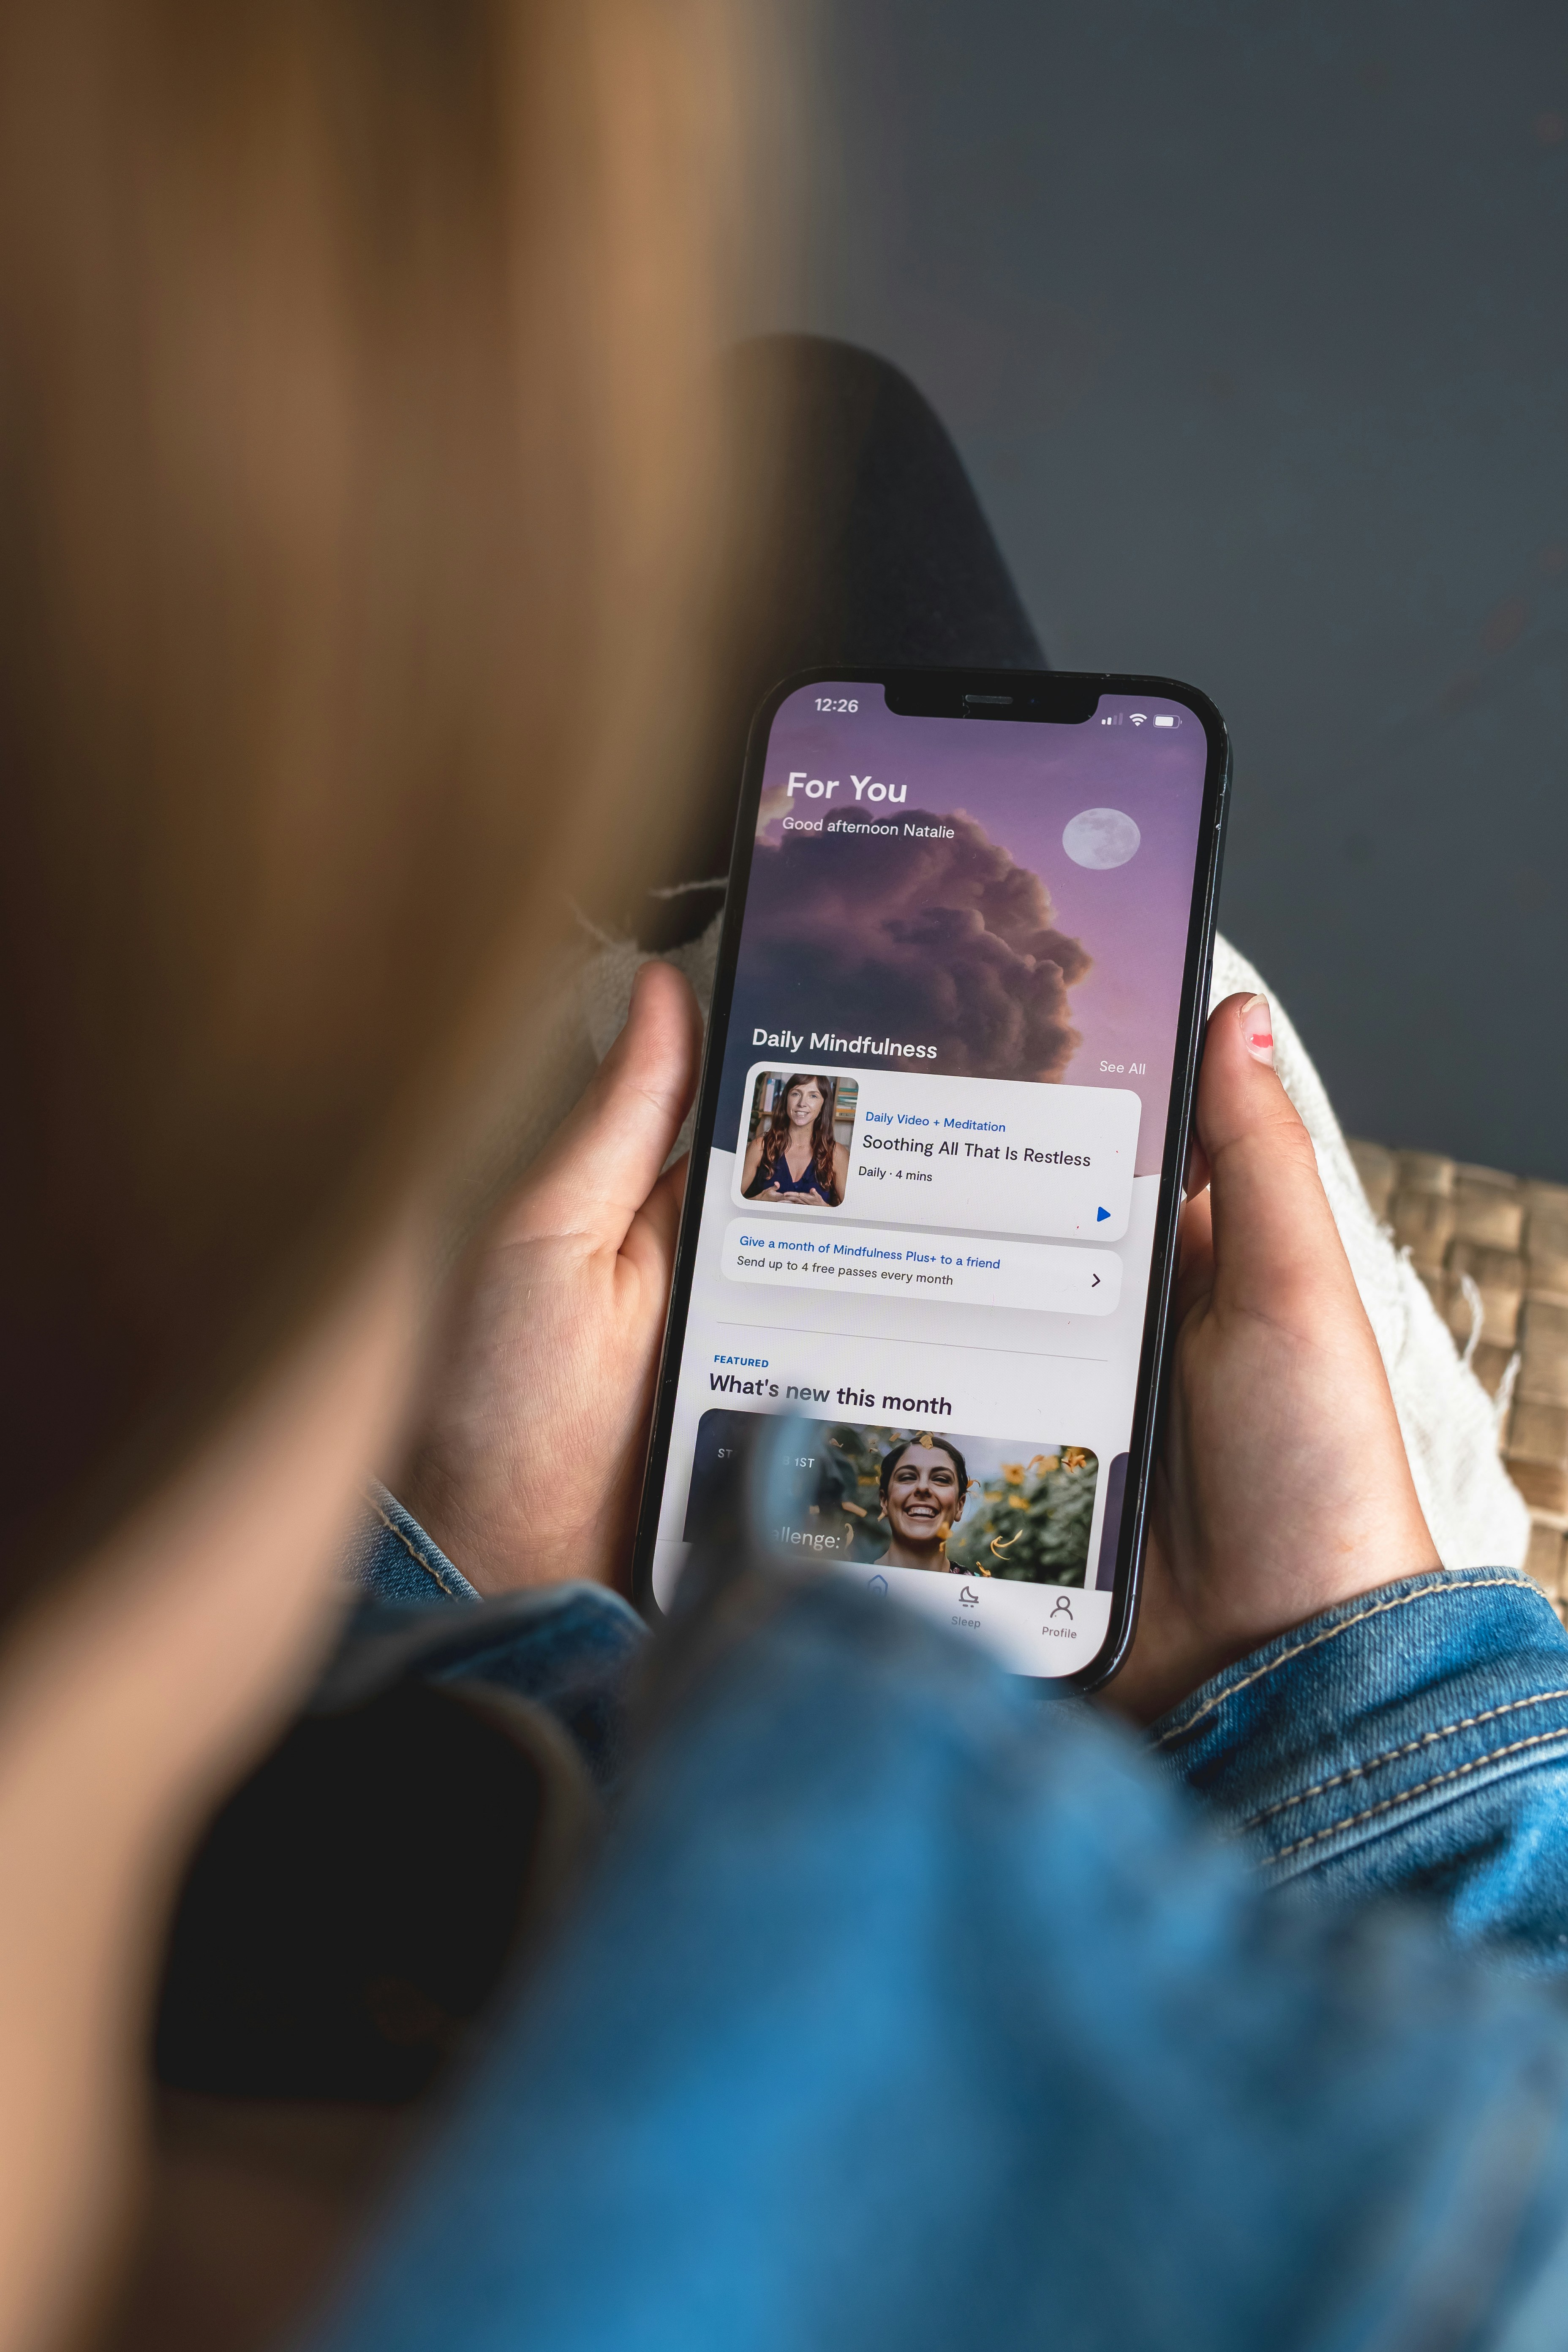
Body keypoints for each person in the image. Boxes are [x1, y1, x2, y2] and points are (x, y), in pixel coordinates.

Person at [4, 13, 1568, 2352]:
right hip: (1143, 1743)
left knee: (829, 506)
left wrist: (518, 1623)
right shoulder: (1377, 2230)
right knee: (863, 551)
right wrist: (1324, 1666)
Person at [740, 1072, 848, 1205]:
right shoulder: (760, 1147)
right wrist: (759, 1200)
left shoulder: (837, 1154)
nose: (802, 1103)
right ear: (786, 1099)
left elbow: (853, 1215)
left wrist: (824, 1207)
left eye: (813, 1096)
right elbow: (730, 1203)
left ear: (823, 1105)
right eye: (796, 1094)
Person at [872, 1436, 970, 1572]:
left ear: (960, 1506)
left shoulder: (985, 1590)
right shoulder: (845, 1582)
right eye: (907, 1477)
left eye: (941, 1479)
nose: (923, 1487)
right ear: (884, 1501)